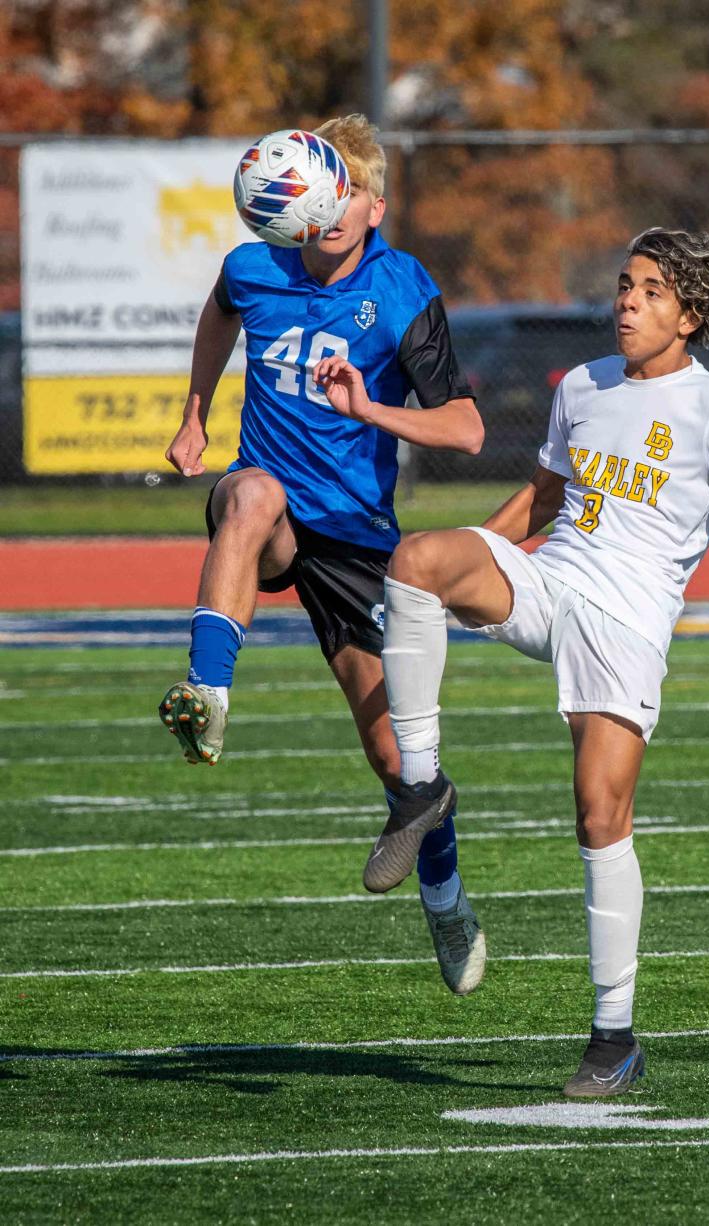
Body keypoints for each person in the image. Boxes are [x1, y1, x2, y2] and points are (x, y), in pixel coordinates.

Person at [361, 227, 709, 1094]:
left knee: (598, 816)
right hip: (551, 585)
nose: (628, 300)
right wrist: (473, 555)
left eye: (652, 290)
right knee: (417, 561)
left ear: (689, 315)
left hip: (627, 624)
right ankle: (421, 789)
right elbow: (541, 501)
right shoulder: (583, 386)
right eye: (626, 285)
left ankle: (613, 1034)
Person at [158, 114, 487, 996]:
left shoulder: (401, 287)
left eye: (348, 192)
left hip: (354, 537)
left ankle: (447, 899)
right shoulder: (256, 263)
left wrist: (371, 413)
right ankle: (207, 691)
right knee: (253, 492)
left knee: (398, 763)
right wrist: (196, 411)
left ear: (369, 204)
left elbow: (465, 425)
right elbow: (218, 314)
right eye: (321, 189)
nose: (331, 208)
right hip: (272, 517)